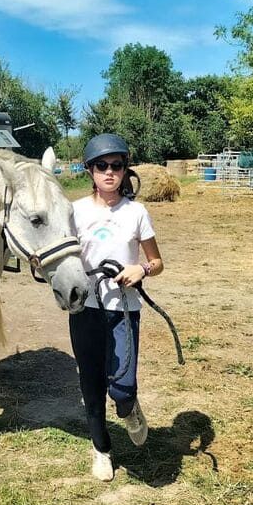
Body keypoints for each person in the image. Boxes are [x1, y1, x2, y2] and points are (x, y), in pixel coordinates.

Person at [69, 133, 164, 481]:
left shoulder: (137, 213)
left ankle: (130, 407)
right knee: (91, 385)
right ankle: (101, 450)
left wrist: (142, 268)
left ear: (125, 170)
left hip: (125, 309)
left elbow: (157, 261)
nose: (109, 172)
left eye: (117, 166)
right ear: (90, 171)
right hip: (85, 309)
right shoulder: (74, 212)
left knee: (121, 386)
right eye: (101, 166)